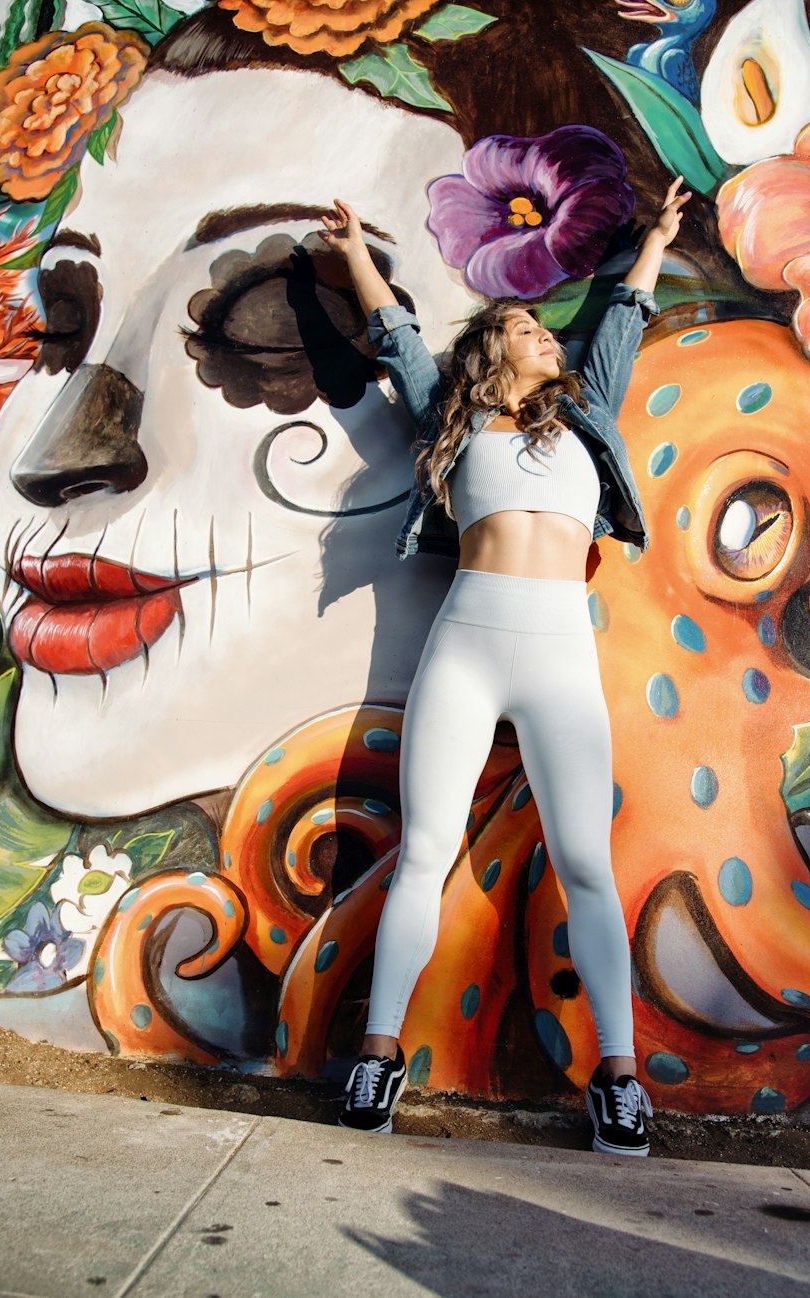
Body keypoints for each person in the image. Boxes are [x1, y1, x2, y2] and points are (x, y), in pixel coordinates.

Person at [318, 175, 690, 1155]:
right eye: (526, 327)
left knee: (584, 863)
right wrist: (354, 249)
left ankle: (616, 1073)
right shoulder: (452, 411)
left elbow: (623, 315)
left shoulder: (586, 413)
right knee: (427, 847)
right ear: (494, 350)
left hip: (561, 647)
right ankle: (378, 1051)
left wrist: (652, 240)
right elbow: (395, 338)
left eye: (543, 330)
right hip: (467, 643)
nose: (545, 338)